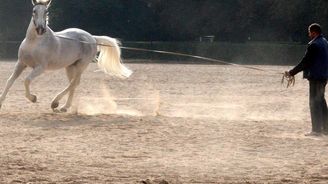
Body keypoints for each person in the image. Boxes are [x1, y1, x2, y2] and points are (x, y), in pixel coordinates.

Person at [285, 23, 328, 136]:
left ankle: (316, 130)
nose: (309, 35)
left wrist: (291, 72)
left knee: (314, 102)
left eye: (310, 32)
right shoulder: (325, 42)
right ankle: (326, 129)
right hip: (324, 76)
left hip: (315, 77)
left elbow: (305, 62)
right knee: (321, 101)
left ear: (314, 32)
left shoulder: (313, 45)